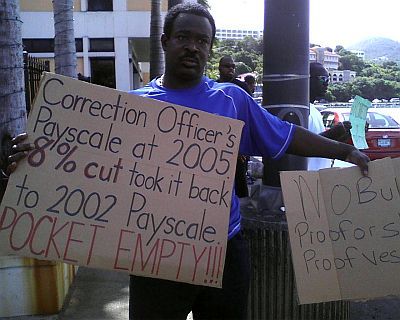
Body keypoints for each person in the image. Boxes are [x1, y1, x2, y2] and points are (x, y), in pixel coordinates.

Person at [5, 3, 369, 320]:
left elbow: (287, 135)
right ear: (165, 41)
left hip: (225, 251)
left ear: (210, 49)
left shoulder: (232, 100)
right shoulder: (132, 108)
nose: (193, 46)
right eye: (184, 37)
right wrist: (32, 160)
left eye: (202, 41)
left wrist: (344, 151)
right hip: (153, 254)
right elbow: (83, 164)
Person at [217, 56, 252, 198]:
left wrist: (243, 145)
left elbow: (249, 115)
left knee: (239, 184)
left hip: (239, 142)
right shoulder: (214, 86)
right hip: (218, 140)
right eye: (227, 66)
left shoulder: (241, 87)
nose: (231, 69)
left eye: (233, 66)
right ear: (220, 68)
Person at [308, 62, 352, 170]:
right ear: (307, 79)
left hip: (318, 179)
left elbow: (321, 147)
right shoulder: (300, 111)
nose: (327, 83)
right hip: (304, 180)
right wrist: (334, 132)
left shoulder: (315, 111)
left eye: (328, 79)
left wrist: (345, 134)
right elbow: (301, 145)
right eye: (323, 79)